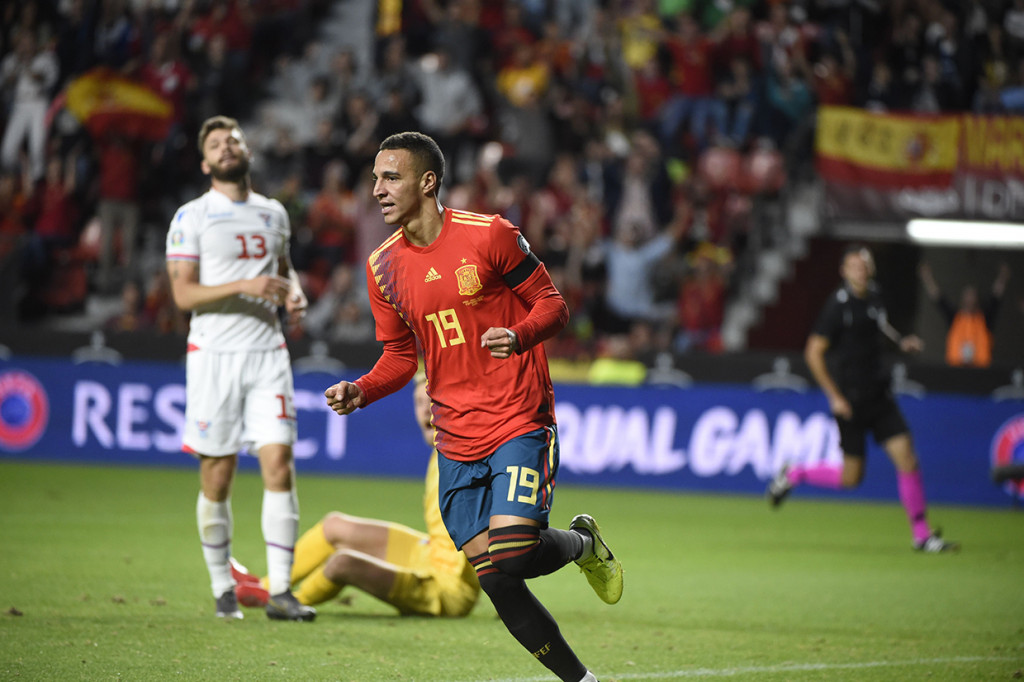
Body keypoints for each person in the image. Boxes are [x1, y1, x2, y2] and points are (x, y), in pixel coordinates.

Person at [324, 132, 622, 682]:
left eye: (390, 177)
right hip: (454, 437)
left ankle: (582, 545)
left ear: (427, 182)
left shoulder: (491, 235)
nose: (377, 189)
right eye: (375, 178)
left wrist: (521, 334)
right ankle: (584, 681)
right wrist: (362, 389)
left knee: (511, 554)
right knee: (500, 579)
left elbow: (553, 305)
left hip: (518, 417)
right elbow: (398, 354)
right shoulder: (382, 267)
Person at [165, 115, 315, 621]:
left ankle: (281, 592)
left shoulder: (274, 213)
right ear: (206, 163)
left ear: (246, 150)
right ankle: (222, 588)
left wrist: (294, 294)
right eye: (216, 144)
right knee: (219, 475)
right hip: (214, 356)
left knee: (279, 463)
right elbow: (183, 293)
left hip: (267, 353)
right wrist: (242, 287)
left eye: (233, 139)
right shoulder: (192, 216)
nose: (227, 147)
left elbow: (284, 270)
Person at [231, 372, 480, 618]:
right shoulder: (442, 450)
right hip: (430, 553)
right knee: (334, 526)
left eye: (432, 402)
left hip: (448, 588)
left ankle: (286, 602)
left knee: (343, 563)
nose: (425, 411)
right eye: (418, 402)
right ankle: (267, 586)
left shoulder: (469, 456)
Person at [767, 245, 959, 554]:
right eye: (853, 266)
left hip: (878, 396)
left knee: (907, 457)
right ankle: (795, 474)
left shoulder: (874, 297)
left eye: (863, 265)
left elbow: (880, 328)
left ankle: (922, 535)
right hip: (850, 400)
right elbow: (813, 353)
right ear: (844, 271)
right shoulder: (837, 306)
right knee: (851, 477)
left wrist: (901, 342)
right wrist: (834, 396)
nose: (860, 270)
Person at [918, 261, 1011, 367]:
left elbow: (995, 298)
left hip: (980, 372)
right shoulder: (954, 317)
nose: (970, 299)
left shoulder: (984, 318)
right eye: (967, 296)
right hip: (956, 370)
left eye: (972, 296)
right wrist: (927, 277)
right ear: (962, 299)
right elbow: (938, 299)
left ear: (977, 300)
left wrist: (1003, 276)